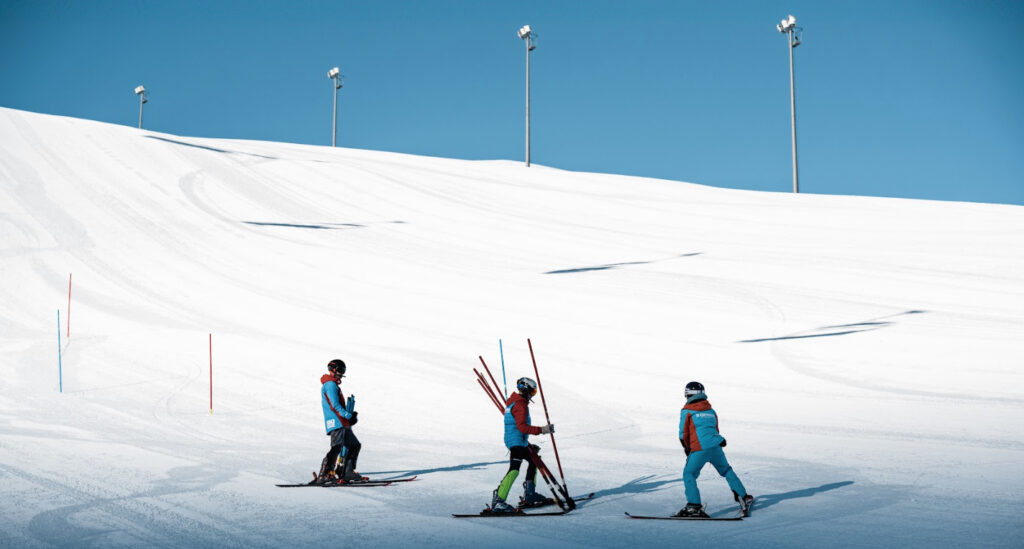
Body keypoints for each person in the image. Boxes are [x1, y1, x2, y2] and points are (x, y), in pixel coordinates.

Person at [676, 381, 753, 517]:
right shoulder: (711, 411)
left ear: (687, 394)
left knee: (689, 474)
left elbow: (683, 434)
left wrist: (688, 449)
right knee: (726, 470)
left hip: (699, 448)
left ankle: (693, 506)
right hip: (715, 446)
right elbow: (715, 429)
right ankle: (743, 496)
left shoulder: (687, 411)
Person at [490, 377, 555, 512]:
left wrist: (527, 444)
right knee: (514, 469)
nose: (532, 395)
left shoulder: (516, 401)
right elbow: (522, 428)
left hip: (518, 440)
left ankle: (530, 495)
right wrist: (543, 430)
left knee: (534, 460)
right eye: (532, 392)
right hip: (516, 441)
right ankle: (498, 501)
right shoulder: (520, 404)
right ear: (526, 390)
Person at [316, 359, 364, 484]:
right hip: (336, 421)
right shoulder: (330, 385)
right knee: (336, 447)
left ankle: (347, 471)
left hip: (342, 422)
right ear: (332, 369)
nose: (341, 373)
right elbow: (335, 405)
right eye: (340, 370)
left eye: (343, 371)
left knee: (354, 445)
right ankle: (325, 474)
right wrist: (348, 416)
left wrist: (349, 418)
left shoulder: (333, 385)